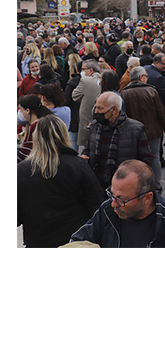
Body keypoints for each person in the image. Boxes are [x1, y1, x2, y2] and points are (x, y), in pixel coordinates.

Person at [18, 115, 105, 248]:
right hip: (74, 240)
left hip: (38, 240)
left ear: (36, 138)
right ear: (64, 135)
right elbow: (97, 205)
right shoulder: (78, 165)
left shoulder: (21, 170)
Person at [70, 159, 165, 248]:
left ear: (147, 198)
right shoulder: (107, 211)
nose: (114, 203)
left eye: (121, 199)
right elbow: (77, 241)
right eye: (112, 194)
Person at [82, 91, 154, 189]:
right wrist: (84, 156)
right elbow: (88, 148)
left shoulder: (136, 129)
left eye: (100, 108)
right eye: (96, 107)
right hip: (96, 184)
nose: (96, 112)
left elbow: (146, 158)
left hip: (124, 186)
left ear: (114, 110)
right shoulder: (95, 126)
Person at [120, 66, 165, 191]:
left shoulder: (125, 93)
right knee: (155, 158)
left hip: (134, 132)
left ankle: (140, 186)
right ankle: (157, 185)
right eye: (146, 76)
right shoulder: (152, 91)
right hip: (153, 131)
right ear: (141, 77)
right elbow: (160, 111)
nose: (147, 78)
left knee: (137, 159)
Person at [18, 95, 53, 162]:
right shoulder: (45, 121)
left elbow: (24, 154)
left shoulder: (34, 127)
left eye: (20, 109)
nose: (19, 112)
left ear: (27, 110)